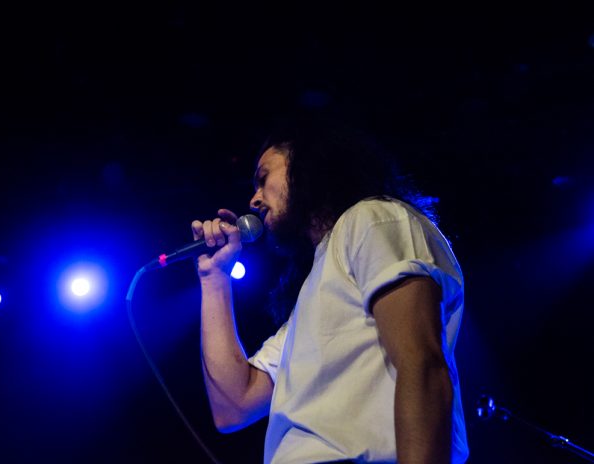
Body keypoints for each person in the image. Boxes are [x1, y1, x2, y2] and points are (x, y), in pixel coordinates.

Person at [191, 118, 469, 464]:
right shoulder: (314, 292)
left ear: (308, 164)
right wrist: (214, 277)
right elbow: (234, 406)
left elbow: (422, 364)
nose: (255, 199)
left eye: (264, 178)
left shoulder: (372, 218)